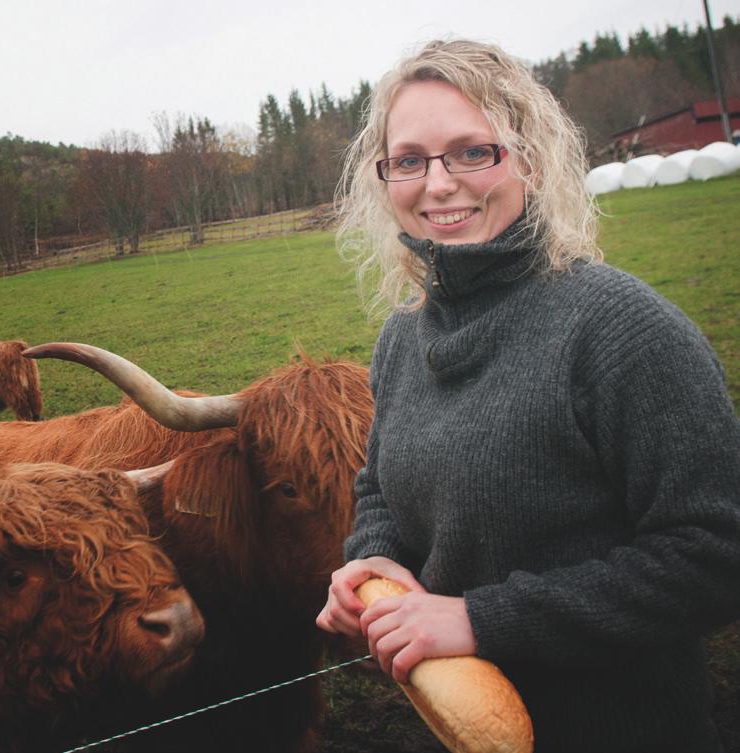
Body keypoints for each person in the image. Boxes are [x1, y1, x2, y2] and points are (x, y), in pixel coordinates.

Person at [316, 39, 740, 753]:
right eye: (410, 159)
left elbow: (716, 553)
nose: (438, 183)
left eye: (472, 152)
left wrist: (482, 620)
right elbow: (380, 487)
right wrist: (377, 561)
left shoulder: (620, 331)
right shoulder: (401, 337)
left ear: (530, 160)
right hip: (456, 727)